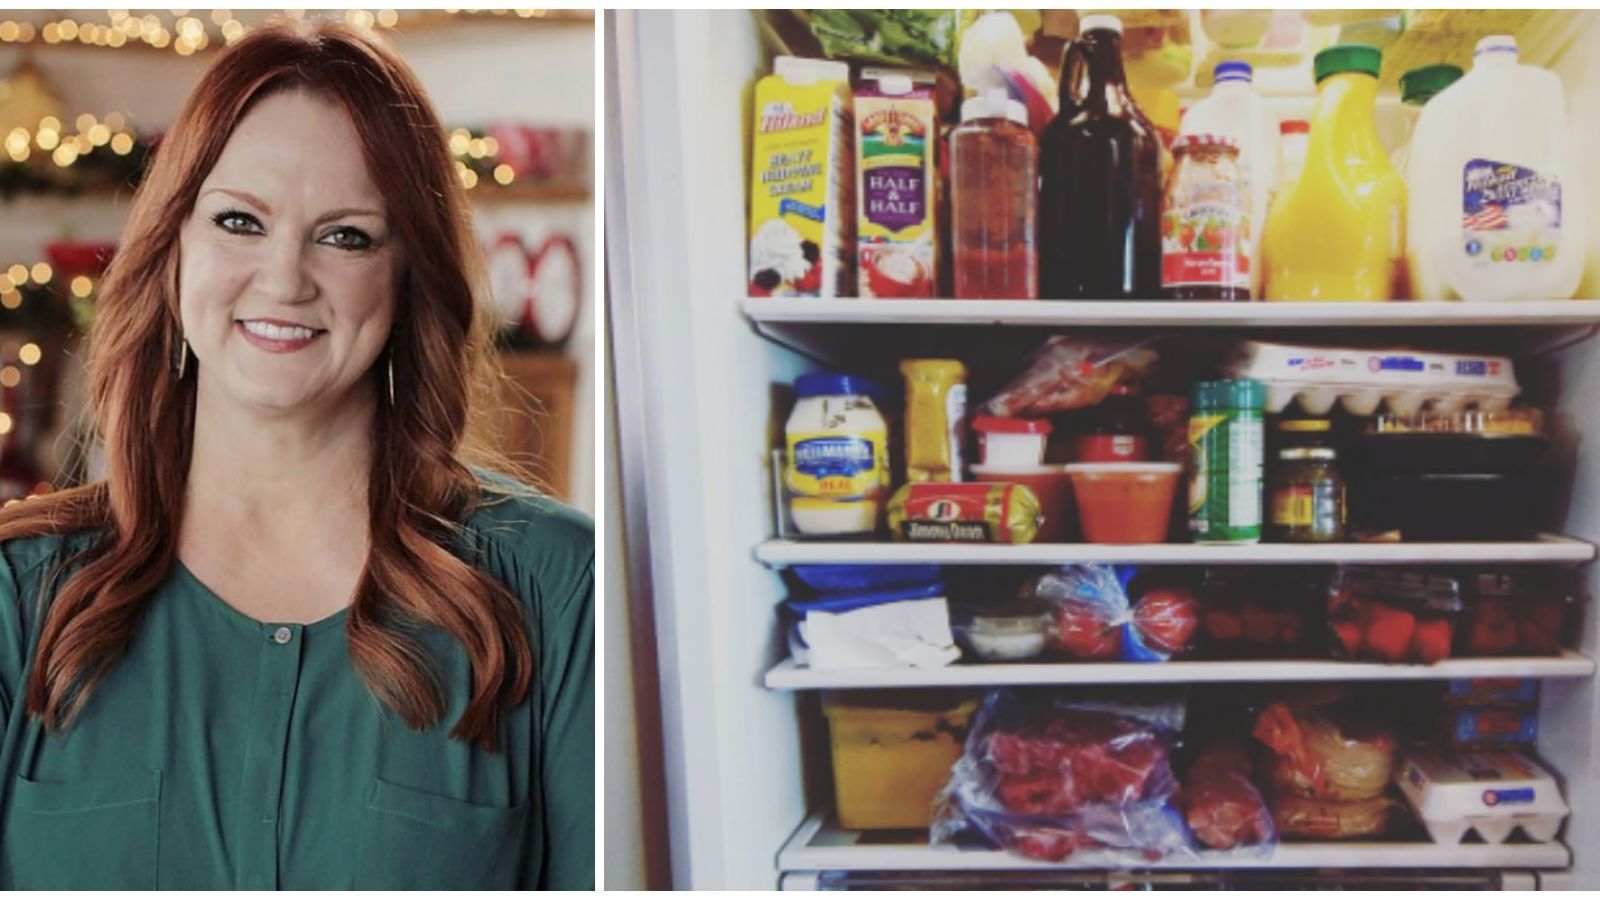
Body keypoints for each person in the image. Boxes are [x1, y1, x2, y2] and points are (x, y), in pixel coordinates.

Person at [0, 19, 593, 890]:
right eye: (240, 220)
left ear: (407, 277)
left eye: (346, 235)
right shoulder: (20, 598)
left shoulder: (551, 587)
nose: (284, 278)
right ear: (173, 250)